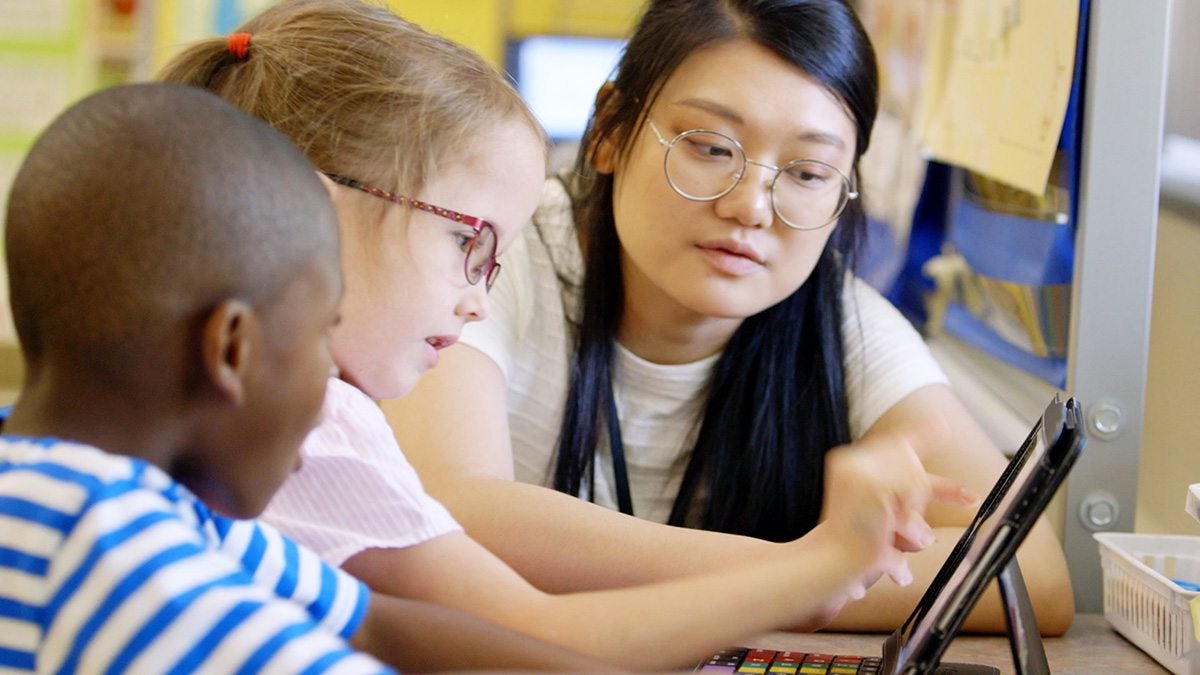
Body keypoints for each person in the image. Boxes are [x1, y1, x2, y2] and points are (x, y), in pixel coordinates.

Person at [157, 0, 950, 669]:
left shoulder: (249, 415)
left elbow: (446, 635)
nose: (479, 298)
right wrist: (816, 566)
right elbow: (543, 643)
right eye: (467, 245)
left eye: (809, 174)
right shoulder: (314, 435)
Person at [383, 0, 1077, 635]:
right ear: (608, 132)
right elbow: (453, 509)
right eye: (712, 148)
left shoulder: (841, 321)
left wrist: (818, 572)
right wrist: (812, 570)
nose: (751, 206)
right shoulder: (498, 255)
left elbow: (1029, 577)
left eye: (807, 174)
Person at [0, 82, 603, 673]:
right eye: (321, 337)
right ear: (233, 352)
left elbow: (370, 622)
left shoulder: (133, 497)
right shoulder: (109, 545)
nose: (332, 392)